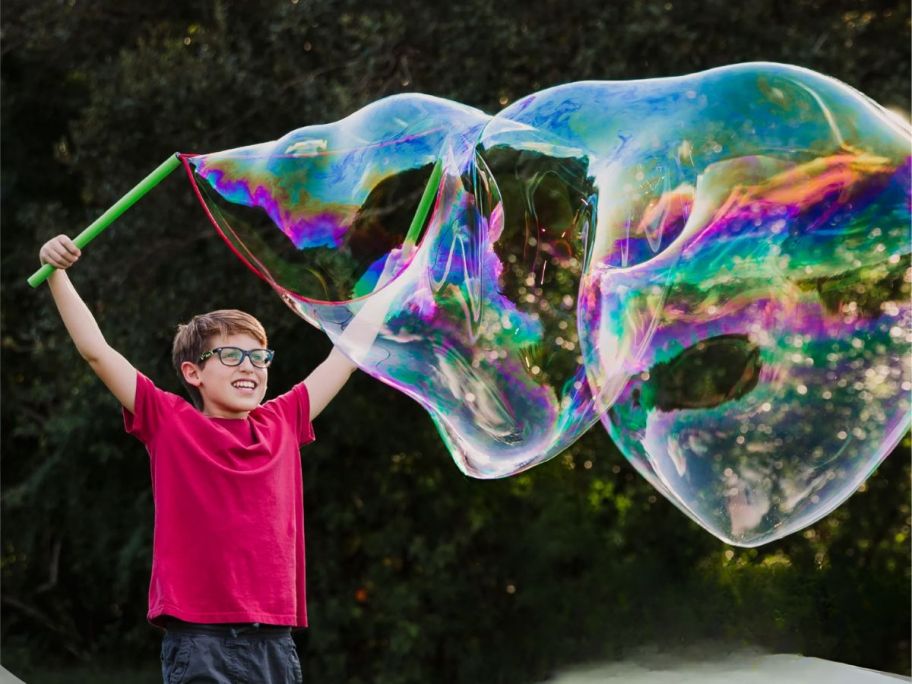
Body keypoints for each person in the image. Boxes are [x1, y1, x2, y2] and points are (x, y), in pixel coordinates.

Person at [39, 233, 361, 684]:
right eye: (231, 355)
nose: (249, 366)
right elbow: (97, 352)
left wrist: (394, 288)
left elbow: (345, 358)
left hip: (273, 639)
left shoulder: (283, 421)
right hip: (199, 640)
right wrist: (58, 274)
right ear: (193, 372)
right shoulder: (169, 420)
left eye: (258, 357)